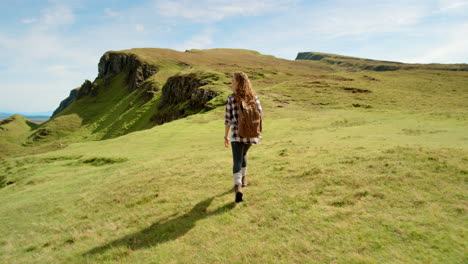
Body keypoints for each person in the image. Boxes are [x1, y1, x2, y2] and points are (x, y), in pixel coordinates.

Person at [224, 71, 263, 203]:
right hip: (251, 134)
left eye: (233, 79)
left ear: (238, 82)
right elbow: (260, 113)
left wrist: (225, 136)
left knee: (237, 160)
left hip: (236, 133)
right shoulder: (254, 97)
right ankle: (244, 179)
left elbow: (228, 119)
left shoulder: (231, 98)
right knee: (243, 155)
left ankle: (238, 187)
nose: (231, 82)